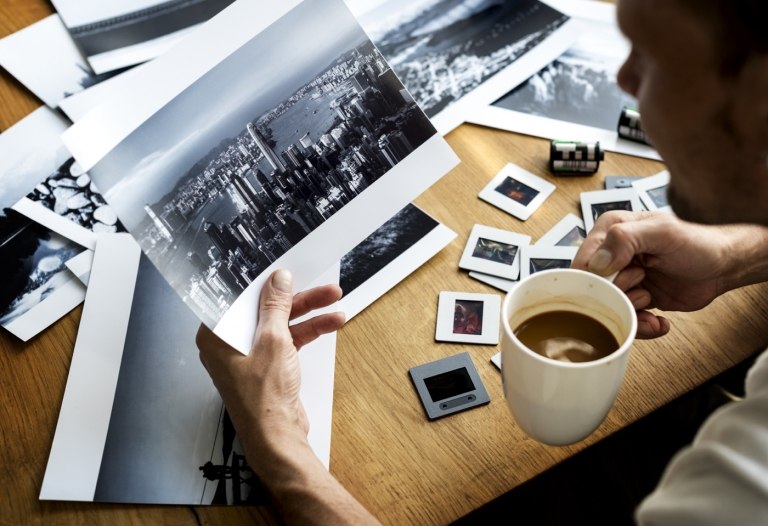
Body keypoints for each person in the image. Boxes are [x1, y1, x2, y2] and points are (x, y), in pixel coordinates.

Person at [197, 0, 768, 523]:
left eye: (652, 54)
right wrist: (737, 256)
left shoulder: (744, 480)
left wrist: (280, 450)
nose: (624, 78)